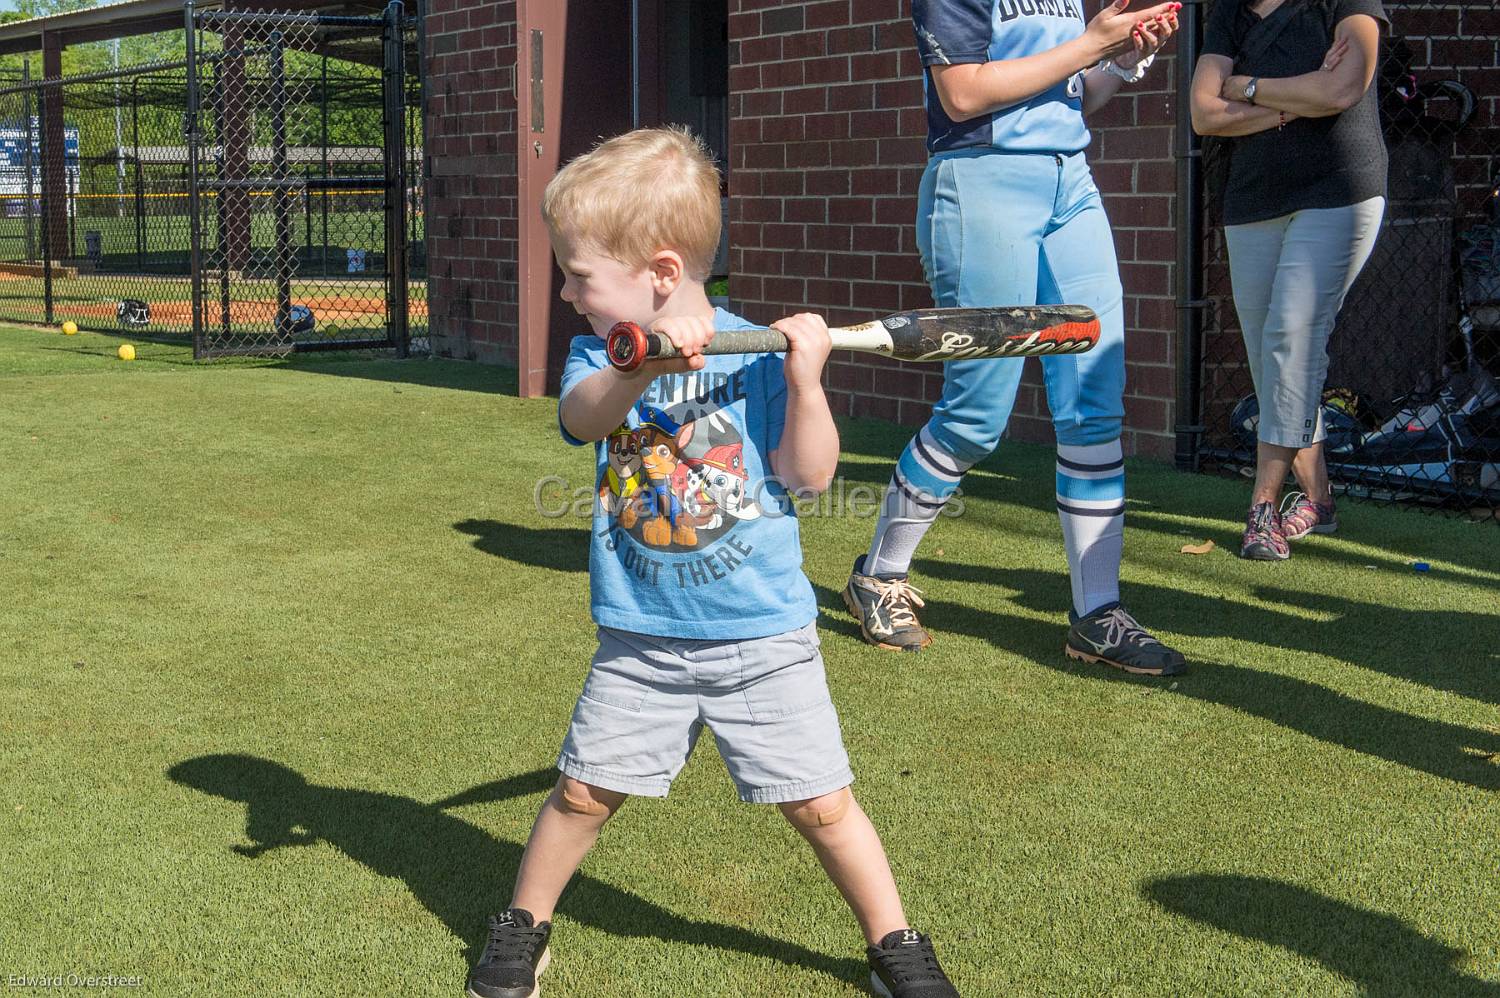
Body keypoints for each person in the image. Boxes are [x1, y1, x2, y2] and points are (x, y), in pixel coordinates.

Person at [465, 127, 959, 998]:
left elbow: (809, 479)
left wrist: (805, 379)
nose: (571, 293)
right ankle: (523, 923)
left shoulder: (759, 355)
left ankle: (894, 944)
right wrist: (644, 362)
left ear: (659, 271)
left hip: (762, 639)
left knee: (821, 804)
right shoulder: (601, 353)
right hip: (642, 639)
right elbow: (583, 419)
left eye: (581, 276)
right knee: (582, 794)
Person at [842, 0, 1187, 677]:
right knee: (975, 417)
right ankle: (879, 577)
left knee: (1095, 405)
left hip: (1070, 181)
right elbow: (965, 92)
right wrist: (1091, 43)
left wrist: (1121, 58)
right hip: (982, 178)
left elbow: (1069, 96)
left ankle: (1098, 615)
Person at [1190, 0, 1387, 560]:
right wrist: (1296, 101)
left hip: (1339, 191)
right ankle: (1320, 498)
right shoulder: (1228, 12)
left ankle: (1262, 508)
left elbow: (1342, 90)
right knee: (1270, 355)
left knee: (1292, 339)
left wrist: (1245, 87)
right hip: (1251, 199)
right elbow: (1204, 114)